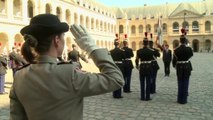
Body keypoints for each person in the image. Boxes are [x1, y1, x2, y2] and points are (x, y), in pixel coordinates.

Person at [9, 14, 124, 120]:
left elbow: (17, 117)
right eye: (63, 36)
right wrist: (92, 48)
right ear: (56, 40)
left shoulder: (19, 76)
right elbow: (116, 79)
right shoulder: (69, 73)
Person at [172, 35, 193, 104]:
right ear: (186, 41)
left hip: (179, 67)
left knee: (180, 83)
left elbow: (174, 61)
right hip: (187, 66)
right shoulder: (189, 49)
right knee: (186, 82)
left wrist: (175, 66)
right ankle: (184, 100)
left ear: (180, 41)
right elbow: (191, 57)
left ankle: (179, 99)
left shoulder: (176, 50)